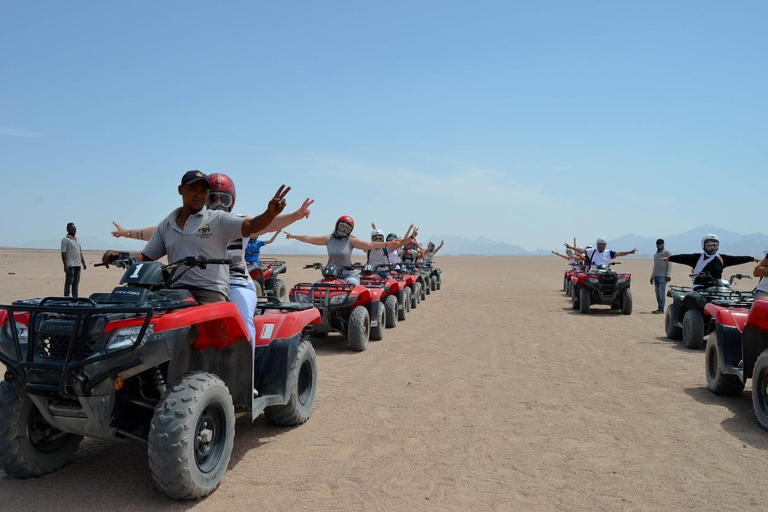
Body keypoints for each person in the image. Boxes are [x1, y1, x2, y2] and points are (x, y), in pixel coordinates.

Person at [109, 172, 312, 343]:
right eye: (212, 197)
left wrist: (292, 214)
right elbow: (152, 236)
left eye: (223, 199)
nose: (216, 203)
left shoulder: (232, 220)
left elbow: (265, 224)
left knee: (242, 326)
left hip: (235, 281)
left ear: (231, 201)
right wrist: (126, 235)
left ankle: (247, 380)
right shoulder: (178, 222)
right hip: (186, 281)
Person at [102, 170, 290, 309]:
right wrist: (121, 255)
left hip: (210, 290)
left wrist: (269, 213)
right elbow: (147, 256)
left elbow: (253, 225)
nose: (199, 194)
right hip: (175, 290)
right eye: (193, 189)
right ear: (180, 190)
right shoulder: (167, 224)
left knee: (231, 334)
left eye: (203, 191)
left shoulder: (218, 220)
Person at [284, 216, 404, 286]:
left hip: (347, 275)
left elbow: (369, 244)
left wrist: (388, 243)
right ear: (337, 225)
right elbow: (310, 238)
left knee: (353, 287)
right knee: (317, 287)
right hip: (330, 274)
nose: (343, 230)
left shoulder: (350, 241)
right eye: (342, 226)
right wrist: (294, 236)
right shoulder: (328, 238)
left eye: (347, 228)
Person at [662, 234, 758, 290]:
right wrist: (670, 258)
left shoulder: (721, 258)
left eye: (714, 246)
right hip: (699, 287)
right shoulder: (697, 258)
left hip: (717, 288)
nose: (712, 248)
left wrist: (751, 258)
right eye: (709, 245)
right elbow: (683, 257)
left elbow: (736, 259)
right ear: (703, 245)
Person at [565, 237, 637, 268]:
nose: (601, 247)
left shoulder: (609, 252)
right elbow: (581, 251)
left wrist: (629, 252)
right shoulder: (592, 251)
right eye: (600, 245)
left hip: (606, 271)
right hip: (593, 272)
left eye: (603, 245)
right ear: (597, 245)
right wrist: (571, 247)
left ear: (605, 245)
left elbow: (619, 253)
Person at [61, 222, 86, 297]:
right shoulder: (65, 240)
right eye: (72, 228)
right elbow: (63, 253)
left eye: (75, 228)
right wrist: (65, 265)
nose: (74, 230)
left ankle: (75, 298)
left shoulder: (77, 239)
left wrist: (83, 262)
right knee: (69, 282)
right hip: (70, 265)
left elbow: (80, 252)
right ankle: (66, 297)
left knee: (76, 282)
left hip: (78, 264)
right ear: (67, 229)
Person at [650, 238, 672, 313]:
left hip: (663, 276)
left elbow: (670, 264)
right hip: (656, 276)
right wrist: (651, 277)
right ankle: (659, 307)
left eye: (661, 244)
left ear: (663, 244)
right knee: (657, 293)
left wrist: (668, 275)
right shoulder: (655, 255)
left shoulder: (666, 253)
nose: (659, 246)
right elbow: (655, 266)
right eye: (658, 244)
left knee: (661, 292)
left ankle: (661, 309)